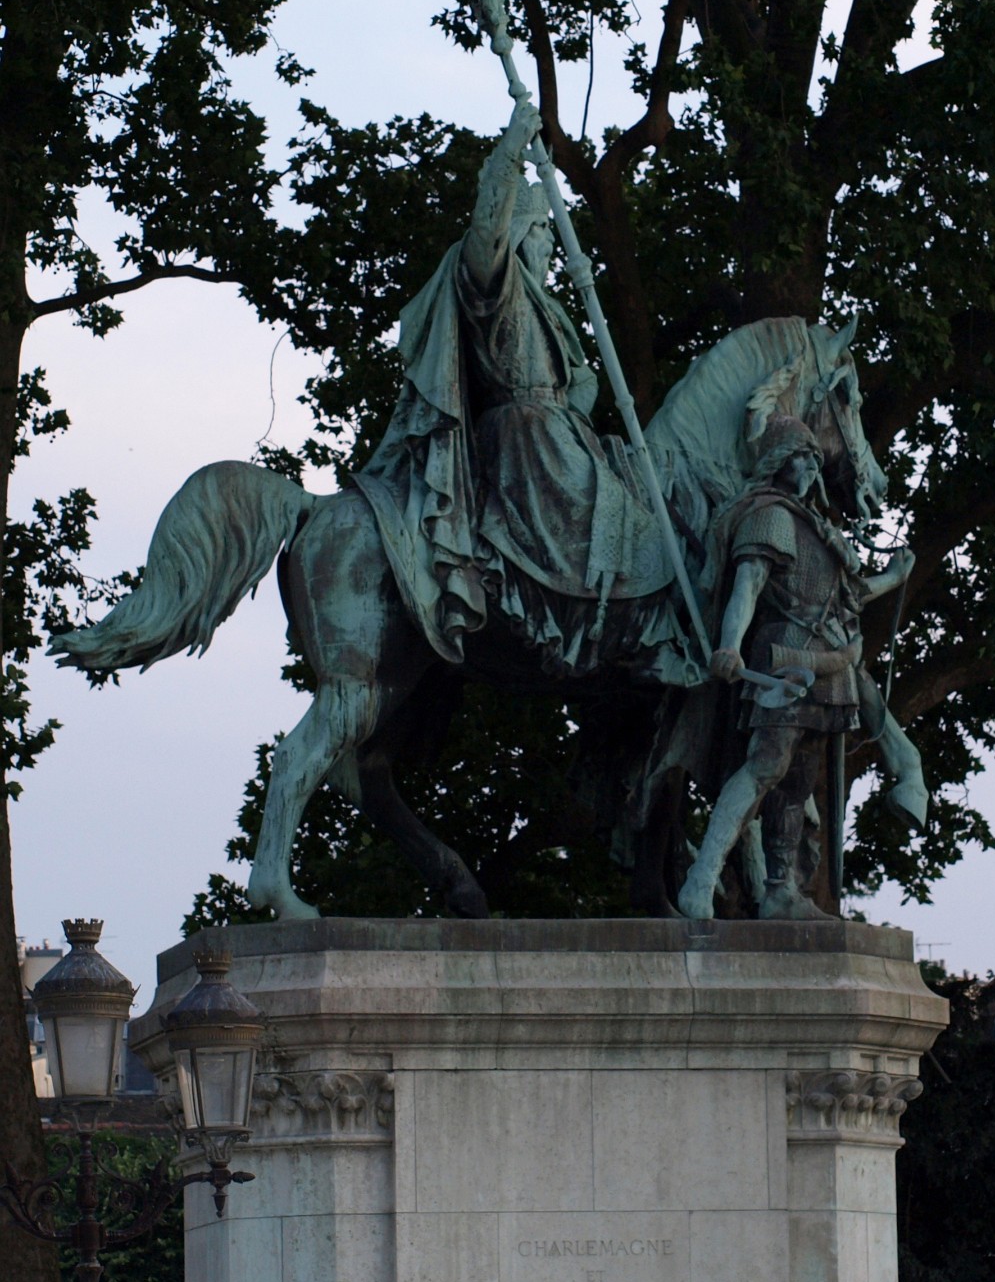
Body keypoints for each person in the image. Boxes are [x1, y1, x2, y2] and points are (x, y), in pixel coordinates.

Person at [356, 96, 671, 673]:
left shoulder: (547, 307)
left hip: (560, 432)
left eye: (554, 237)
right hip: (529, 442)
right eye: (543, 234)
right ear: (521, 235)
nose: (552, 246)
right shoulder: (498, 285)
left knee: (642, 494)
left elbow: (574, 382)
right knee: (623, 519)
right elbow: (485, 231)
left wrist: (581, 388)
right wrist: (507, 158)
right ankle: (591, 624)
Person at [677, 415, 916, 920]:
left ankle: (781, 888)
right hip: (784, 658)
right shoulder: (770, 517)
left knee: (797, 784)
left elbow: (849, 597)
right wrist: (729, 646)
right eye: (801, 457)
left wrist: (893, 578)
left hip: (831, 669)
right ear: (779, 462)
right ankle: (703, 874)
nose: (810, 467)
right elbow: (747, 587)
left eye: (814, 459)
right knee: (767, 765)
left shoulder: (817, 529)